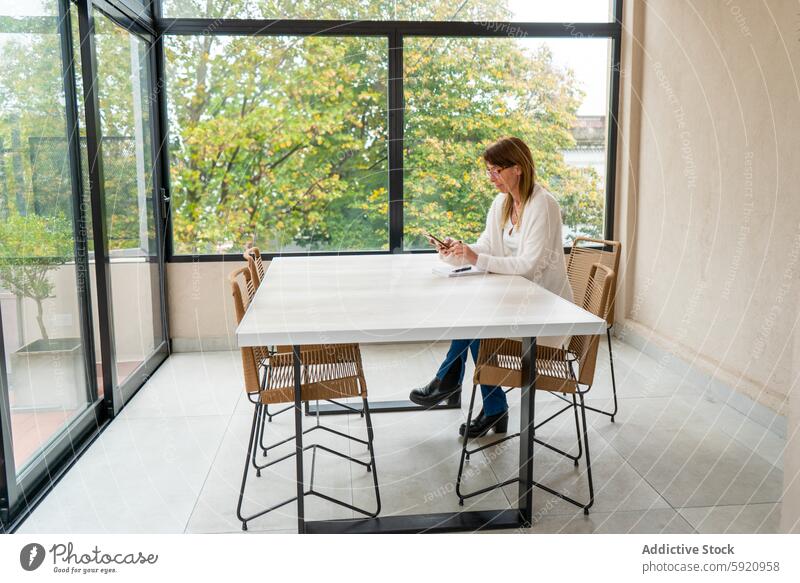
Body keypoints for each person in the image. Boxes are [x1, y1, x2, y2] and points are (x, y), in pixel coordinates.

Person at [409, 136, 574, 437]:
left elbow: (529, 266)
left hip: (543, 311)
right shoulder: (501, 203)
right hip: (514, 301)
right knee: (474, 322)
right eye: (489, 170)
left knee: (475, 327)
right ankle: (481, 400)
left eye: (497, 169)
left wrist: (476, 257)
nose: (492, 177)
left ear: (518, 168)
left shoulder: (543, 205)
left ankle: (453, 383)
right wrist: (459, 252)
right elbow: (486, 246)